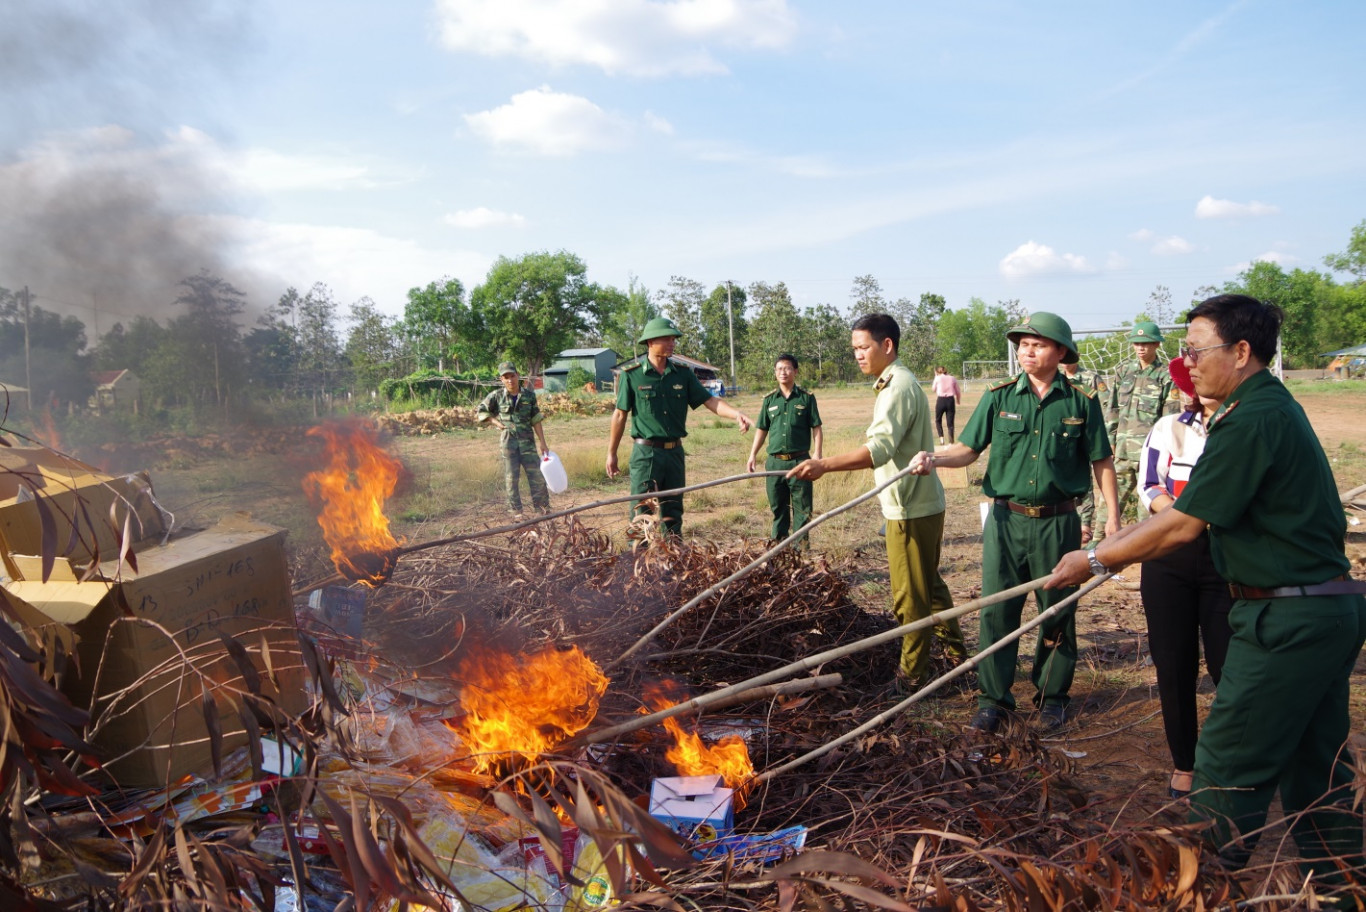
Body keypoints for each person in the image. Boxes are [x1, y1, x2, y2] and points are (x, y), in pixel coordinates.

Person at [1046, 294, 1366, 884]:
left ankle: (1194, 890)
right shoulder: (1261, 409)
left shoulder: (1253, 418)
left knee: (1225, 766)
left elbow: (1184, 522)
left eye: (1196, 350)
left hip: (1286, 622)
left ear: (1242, 352)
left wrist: (1093, 558)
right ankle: (1345, 888)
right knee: (1315, 770)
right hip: (1322, 612)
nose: (1185, 362)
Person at [911, 313, 1119, 733]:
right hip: (1006, 522)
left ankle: (1052, 697)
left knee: (1057, 612)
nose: (1027, 351)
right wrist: (934, 457)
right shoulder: (999, 396)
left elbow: (1101, 460)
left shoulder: (1081, 400)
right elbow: (968, 449)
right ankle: (994, 700)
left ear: (1060, 352)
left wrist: (1112, 516)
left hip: (1058, 524)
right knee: (997, 612)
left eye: (1038, 344)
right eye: (1023, 344)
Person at [789, 314, 966, 692]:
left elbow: (880, 449)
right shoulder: (895, 382)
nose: (857, 355)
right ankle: (957, 659)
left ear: (887, 346)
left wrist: (824, 465)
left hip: (910, 509)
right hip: (923, 504)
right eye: (854, 349)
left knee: (909, 598)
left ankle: (912, 677)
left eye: (863, 347)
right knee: (930, 587)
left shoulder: (897, 387)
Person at [1137, 378, 1233, 800]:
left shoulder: (1242, 428)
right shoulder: (1169, 428)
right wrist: (1180, 514)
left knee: (1227, 665)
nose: (1197, 389)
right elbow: (1149, 484)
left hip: (1227, 558)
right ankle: (1185, 765)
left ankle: (1231, 760)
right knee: (1173, 664)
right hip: (1168, 554)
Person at [606, 317, 752, 536]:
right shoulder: (632, 375)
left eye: (673, 338)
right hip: (646, 453)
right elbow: (619, 415)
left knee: (673, 512)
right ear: (650, 342)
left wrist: (736, 414)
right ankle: (636, 563)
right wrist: (612, 453)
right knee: (641, 512)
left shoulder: (683, 374)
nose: (672, 343)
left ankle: (673, 562)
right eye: (666, 338)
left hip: (674, 453)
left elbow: (710, 401)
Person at [1099, 320, 1175, 533]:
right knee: (1109, 507)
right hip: (1122, 451)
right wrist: (1110, 440)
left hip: (1148, 455)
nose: (1141, 348)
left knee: (1147, 511)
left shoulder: (1165, 376)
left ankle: (1146, 557)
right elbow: (1112, 408)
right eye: (1137, 343)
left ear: (1157, 345)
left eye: (1146, 343)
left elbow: (1168, 418)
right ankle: (1096, 552)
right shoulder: (1124, 371)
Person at [747, 354, 823, 543]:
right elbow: (762, 429)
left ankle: (800, 551)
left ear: (795, 371)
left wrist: (817, 454)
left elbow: (817, 428)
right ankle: (779, 549)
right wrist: (752, 455)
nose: (783, 372)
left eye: (787, 368)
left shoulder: (807, 398)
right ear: (775, 373)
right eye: (779, 369)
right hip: (775, 463)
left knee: (803, 509)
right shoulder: (769, 400)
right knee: (778, 508)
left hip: (800, 461)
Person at [477, 362, 551, 515]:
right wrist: (496, 422)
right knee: (512, 480)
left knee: (537, 477)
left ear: (518, 376)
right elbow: (482, 410)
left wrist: (543, 443)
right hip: (509, 444)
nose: (510, 380)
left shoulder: (529, 396)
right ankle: (516, 513)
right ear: (501, 380)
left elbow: (536, 419)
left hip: (528, 444)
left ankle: (542, 510)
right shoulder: (497, 396)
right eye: (506, 377)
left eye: (512, 376)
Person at [1062, 360, 1103, 543]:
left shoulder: (1090, 378)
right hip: (1063, 434)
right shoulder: (1057, 378)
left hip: (1085, 430)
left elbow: (1106, 402)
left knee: (1085, 477)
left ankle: (1085, 524)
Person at [931, 366, 962, 444]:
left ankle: (941, 439)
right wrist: (958, 400)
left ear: (937, 372)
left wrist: (935, 377)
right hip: (950, 400)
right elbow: (958, 391)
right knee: (950, 422)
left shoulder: (937, 378)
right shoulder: (952, 378)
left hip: (941, 400)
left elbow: (933, 389)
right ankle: (951, 441)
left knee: (938, 420)